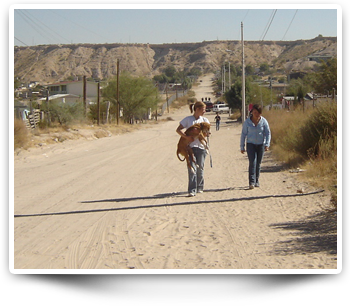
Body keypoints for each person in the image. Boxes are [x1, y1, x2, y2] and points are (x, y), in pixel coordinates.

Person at [176, 101, 210, 197]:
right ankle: (192, 189)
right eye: (203, 109)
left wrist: (205, 134)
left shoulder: (205, 120)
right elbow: (178, 130)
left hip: (201, 147)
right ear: (197, 109)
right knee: (192, 168)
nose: (204, 111)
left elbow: (207, 133)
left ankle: (200, 186)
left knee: (200, 168)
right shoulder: (188, 119)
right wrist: (187, 138)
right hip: (189, 148)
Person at [240, 104, 271, 189]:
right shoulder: (247, 122)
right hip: (251, 144)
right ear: (252, 112)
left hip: (261, 144)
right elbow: (243, 134)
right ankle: (251, 182)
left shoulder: (264, 121)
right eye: (255, 112)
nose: (256, 114)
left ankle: (257, 180)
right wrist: (242, 146)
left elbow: (268, 133)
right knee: (252, 162)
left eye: (258, 113)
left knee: (258, 163)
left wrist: (267, 144)